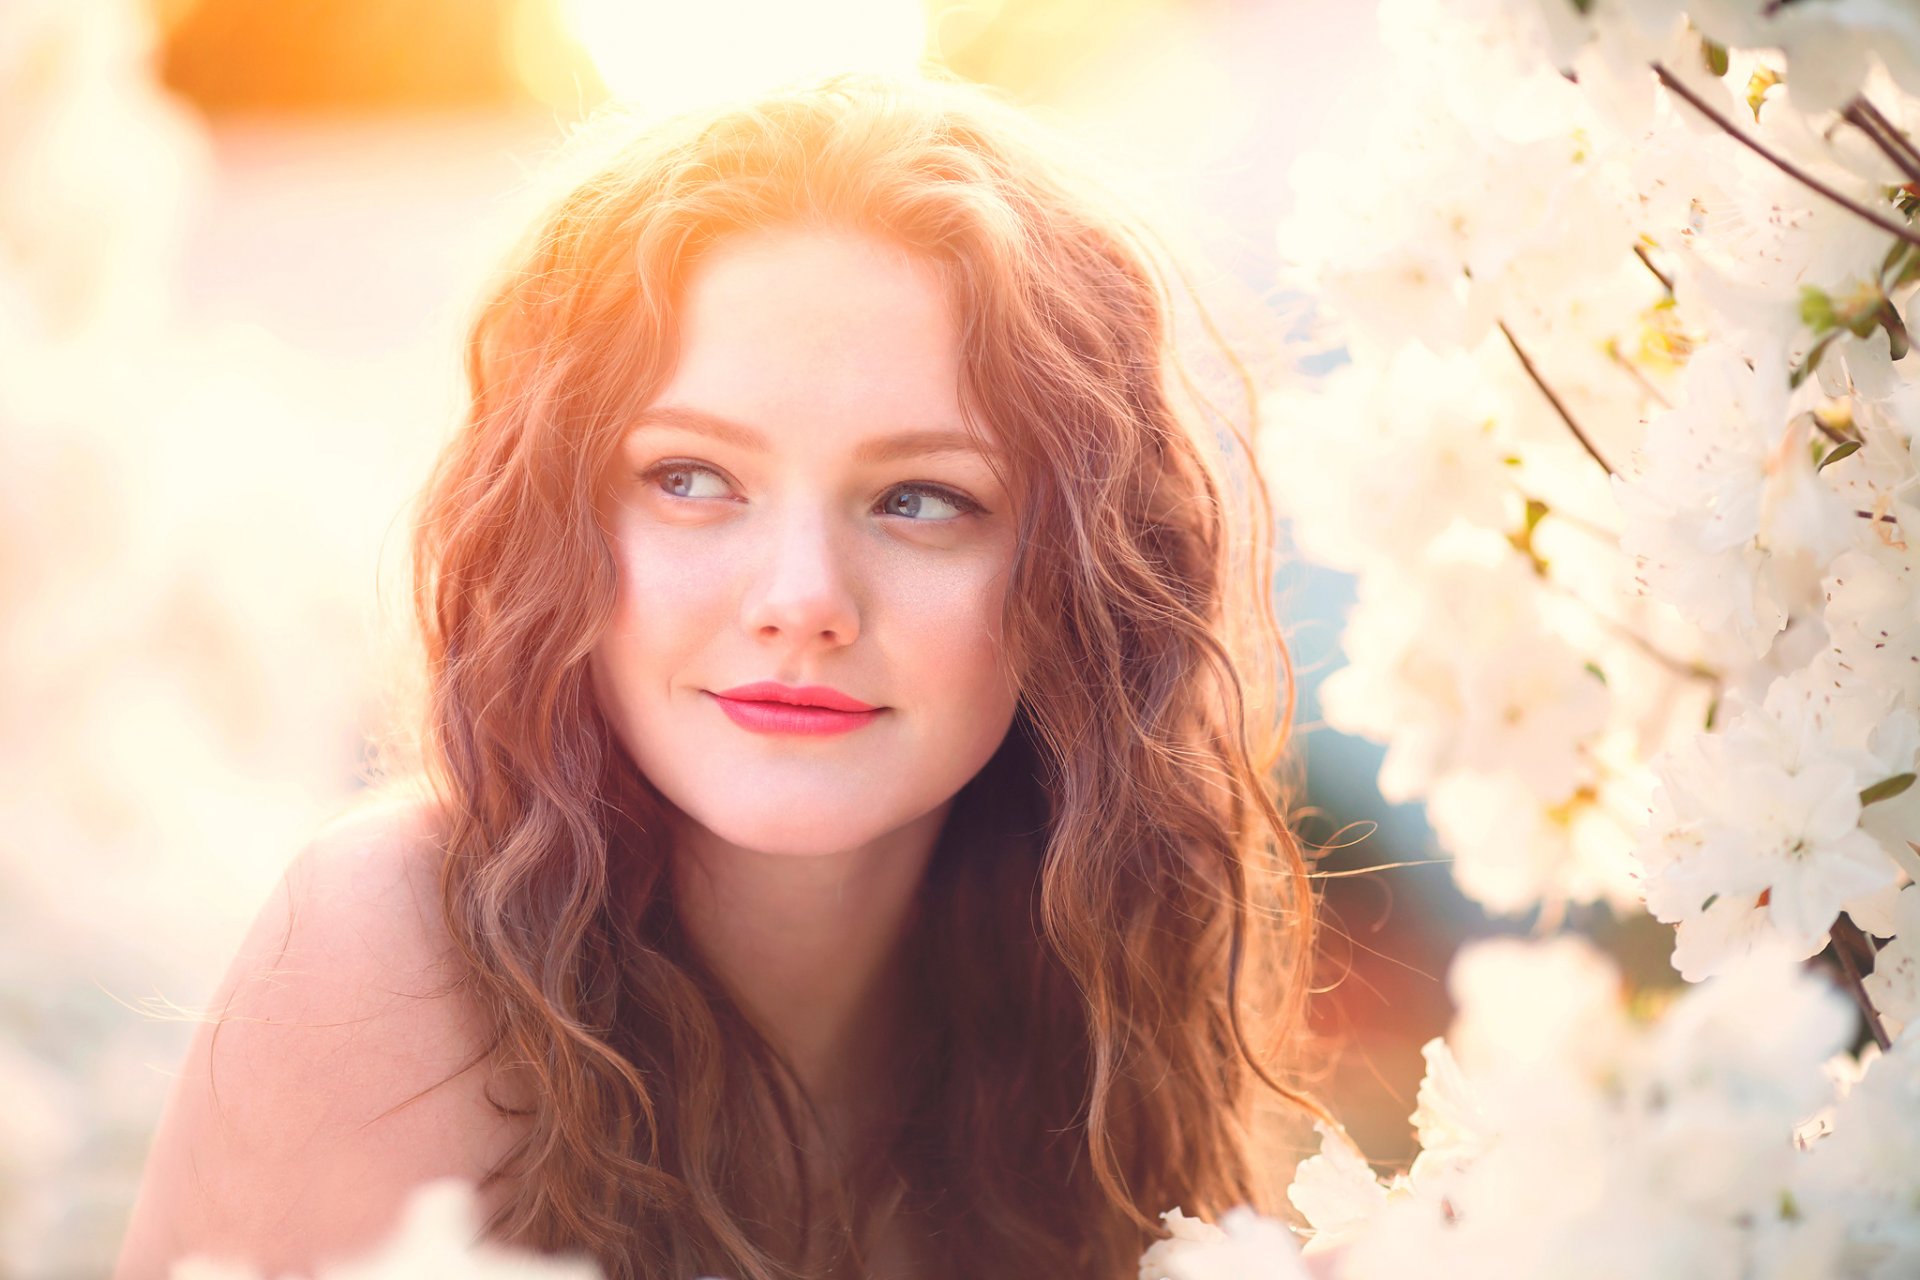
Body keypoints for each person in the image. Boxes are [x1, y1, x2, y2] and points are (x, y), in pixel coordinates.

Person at [114, 72, 1321, 1280]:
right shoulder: (391, 940)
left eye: (922, 499)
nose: (800, 598)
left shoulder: (1073, 1021)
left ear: (1081, 578)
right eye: (690, 477)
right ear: (554, 522)